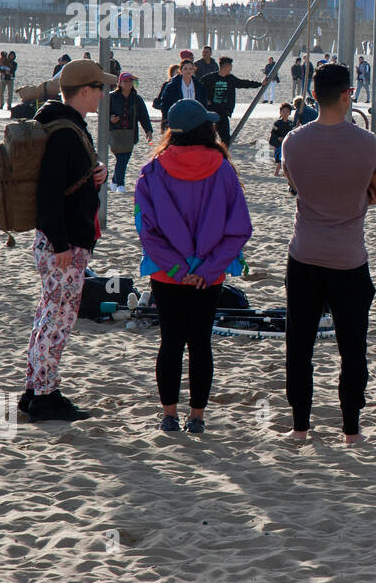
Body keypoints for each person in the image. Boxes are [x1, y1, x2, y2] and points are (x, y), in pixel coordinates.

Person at [280, 63, 376, 443]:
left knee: (299, 344)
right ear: (346, 94)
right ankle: (351, 430)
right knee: (353, 346)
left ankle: (300, 427)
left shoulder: (292, 141)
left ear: (313, 95)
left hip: (305, 254)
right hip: (348, 258)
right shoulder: (369, 143)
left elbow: (295, 185)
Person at [135, 100, 252, 434]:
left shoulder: (153, 169)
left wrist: (176, 268)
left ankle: (169, 415)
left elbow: (147, 231)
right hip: (208, 275)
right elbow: (239, 228)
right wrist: (207, 267)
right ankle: (197, 418)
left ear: (172, 130)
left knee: (170, 341)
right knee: (200, 343)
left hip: (166, 273)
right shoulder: (224, 169)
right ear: (205, 129)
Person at [20, 59, 118, 422]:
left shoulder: (63, 124)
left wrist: (95, 176)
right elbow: (48, 194)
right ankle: (45, 395)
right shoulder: (64, 131)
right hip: (62, 244)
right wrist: (61, 244)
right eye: (100, 89)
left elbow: (64, 184)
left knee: (48, 315)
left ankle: (35, 389)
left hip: (59, 241)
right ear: (85, 90)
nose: (103, 95)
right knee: (58, 319)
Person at [197, 56, 264, 146]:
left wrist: (260, 84)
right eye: (230, 66)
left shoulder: (230, 79)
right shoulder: (209, 78)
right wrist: (205, 100)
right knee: (207, 136)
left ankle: (223, 156)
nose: (231, 68)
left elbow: (243, 83)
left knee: (225, 139)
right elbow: (198, 88)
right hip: (210, 111)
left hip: (223, 112)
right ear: (226, 66)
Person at [108, 72, 154, 193]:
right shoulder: (111, 97)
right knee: (121, 158)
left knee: (123, 159)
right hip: (115, 133)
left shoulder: (137, 99)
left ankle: (114, 182)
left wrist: (148, 131)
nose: (128, 83)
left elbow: (144, 116)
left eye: (130, 81)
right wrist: (110, 118)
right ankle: (120, 184)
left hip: (130, 134)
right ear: (120, 83)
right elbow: (102, 111)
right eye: (125, 81)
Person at [157, 56, 200, 131]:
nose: (188, 71)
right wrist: (167, 119)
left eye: (190, 69)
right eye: (185, 69)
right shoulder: (172, 86)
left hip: (194, 120)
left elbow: (202, 103)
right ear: (181, 70)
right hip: (177, 120)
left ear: (194, 70)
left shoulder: (199, 86)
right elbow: (165, 104)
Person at [269, 102, 294, 175]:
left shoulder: (290, 123)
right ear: (280, 113)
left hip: (287, 144)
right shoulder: (277, 123)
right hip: (279, 144)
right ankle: (276, 172)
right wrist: (278, 138)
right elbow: (273, 133)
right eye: (283, 111)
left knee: (287, 159)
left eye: (287, 111)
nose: (285, 113)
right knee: (280, 159)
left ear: (290, 113)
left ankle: (284, 173)